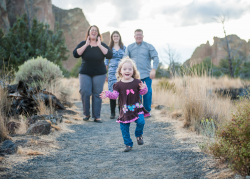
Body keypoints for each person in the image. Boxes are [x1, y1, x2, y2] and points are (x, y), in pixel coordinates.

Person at [100, 57, 148, 152]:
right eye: (125, 69)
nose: (127, 71)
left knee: (141, 122)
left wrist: (144, 88)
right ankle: (128, 144)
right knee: (124, 127)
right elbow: (114, 96)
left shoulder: (137, 82)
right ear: (120, 71)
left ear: (133, 71)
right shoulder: (118, 85)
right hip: (125, 110)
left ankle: (138, 135)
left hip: (137, 108)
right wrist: (107, 93)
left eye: (130, 69)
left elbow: (143, 93)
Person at [73, 25, 112, 123]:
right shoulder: (83, 44)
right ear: (89, 33)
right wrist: (86, 44)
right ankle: (86, 114)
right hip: (85, 72)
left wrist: (99, 45)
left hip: (99, 73)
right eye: (92, 30)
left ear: (98, 33)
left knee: (97, 94)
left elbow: (109, 55)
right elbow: (76, 54)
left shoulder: (102, 45)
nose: (94, 32)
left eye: (95, 30)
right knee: (84, 91)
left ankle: (97, 116)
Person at [123, 29, 159, 117]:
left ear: (143, 36)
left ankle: (146, 111)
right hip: (134, 76)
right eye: (137, 35)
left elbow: (156, 57)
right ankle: (137, 111)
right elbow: (125, 59)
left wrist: (153, 69)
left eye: (140, 35)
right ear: (134, 36)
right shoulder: (130, 47)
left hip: (146, 74)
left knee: (147, 92)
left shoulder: (149, 46)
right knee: (135, 94)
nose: (138, 36)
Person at [105, 31, 126, 119]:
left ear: (119, 37)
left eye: (117, 36)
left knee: (121, 92)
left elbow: (126, 59)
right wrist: (105, 74)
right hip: (111, 72)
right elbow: (106, 62)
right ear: (112, 38)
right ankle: (112, 113)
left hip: (122, 72)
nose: (116, 37)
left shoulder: (124, 48)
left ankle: (121, 112)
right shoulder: (109, 48)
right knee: (112, 91)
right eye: (114, 36)